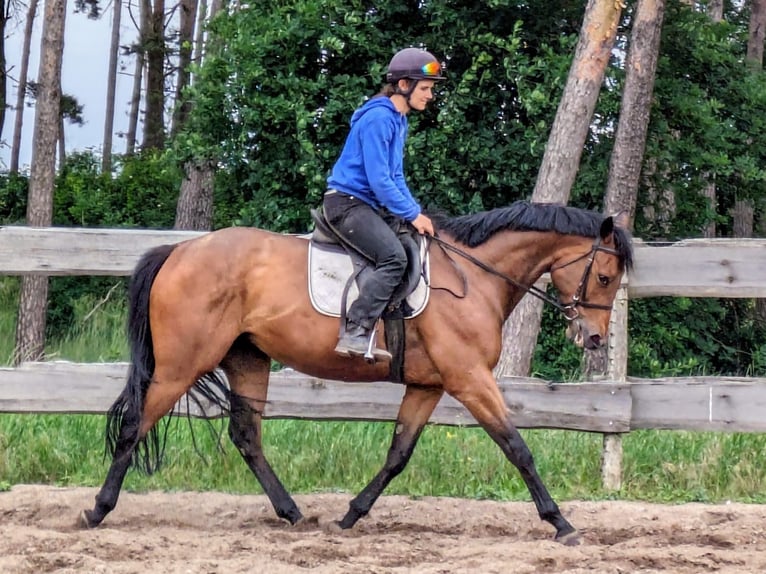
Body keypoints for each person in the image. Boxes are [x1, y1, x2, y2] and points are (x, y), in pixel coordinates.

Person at [323, 47, 445, 361]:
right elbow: (379, 181)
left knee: (408, 245)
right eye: (426, 88)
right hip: (347, 206)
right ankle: (356, 329)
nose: (430, 95)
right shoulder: (379, 119)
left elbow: (395, 177)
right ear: (404, 85)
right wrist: (411, 213)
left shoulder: (398, 120)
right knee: (393, 257)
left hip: (367, 206)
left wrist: (415, 212)